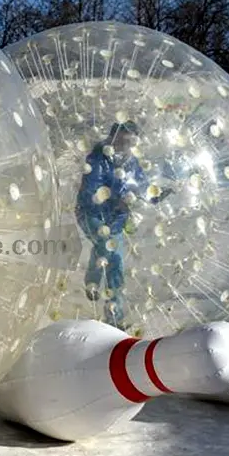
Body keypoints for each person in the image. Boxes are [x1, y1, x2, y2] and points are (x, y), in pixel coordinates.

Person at [74, 121, 173, 329]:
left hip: (117, 217)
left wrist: (156, 196)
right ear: (115, 137)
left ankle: (100, 295)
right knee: (112, 256)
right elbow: (90, 189)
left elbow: (141, 185)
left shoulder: (131, 161)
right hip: (91, 214)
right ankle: (109, 310)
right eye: (126, 139)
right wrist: (114, 199)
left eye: (133, 140)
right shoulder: (98, 158)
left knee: (109, 255)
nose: (129, 144)